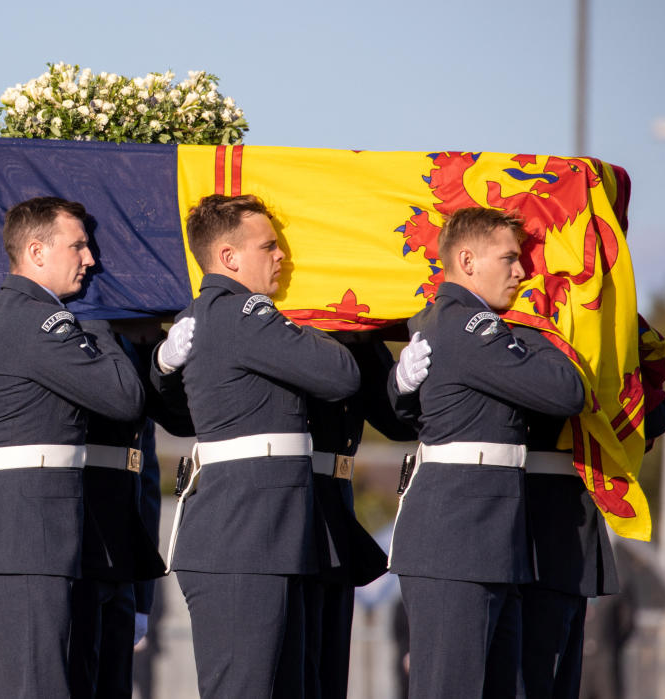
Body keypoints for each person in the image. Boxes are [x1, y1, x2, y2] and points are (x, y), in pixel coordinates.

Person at [152, 193, 361, 698]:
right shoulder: (241, 312)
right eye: (268, 247)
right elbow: (339, 375)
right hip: (243, 540)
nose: (282, 257)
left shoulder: (218, 317)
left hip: (262, 537)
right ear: (228, 258)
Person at [386, 206, 585, 698]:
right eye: (509, 259)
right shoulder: (470, 326)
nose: (522, 272)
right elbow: (565, 391)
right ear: (468, 260)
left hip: (485, 541)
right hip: (457, 543)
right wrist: (541, 326)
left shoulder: (457, 322)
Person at [0, 196, 144, 698]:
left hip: (30, 538)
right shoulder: (37, 319)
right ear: (36, 252)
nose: (91, 260)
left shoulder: (11, 314)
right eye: (78, 246)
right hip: (26, 541)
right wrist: (98, 316)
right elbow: (123, 397)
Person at [519, 315, 665, 698]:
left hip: (568, 527)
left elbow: (654, 415)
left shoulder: (593, 317)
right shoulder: (519, 321)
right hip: (531, 526)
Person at [69, 323, 189, 699]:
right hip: (75, 544)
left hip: (122, 553)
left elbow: (146, 478)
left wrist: (143, 594)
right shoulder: (67, 338)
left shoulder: (136, 346)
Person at [303, 334, 418, 699]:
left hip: (337, 501)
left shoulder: (356, 341)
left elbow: (399, 423)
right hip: (294, 500)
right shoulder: (282, 331)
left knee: (330, 668)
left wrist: (396, 374)